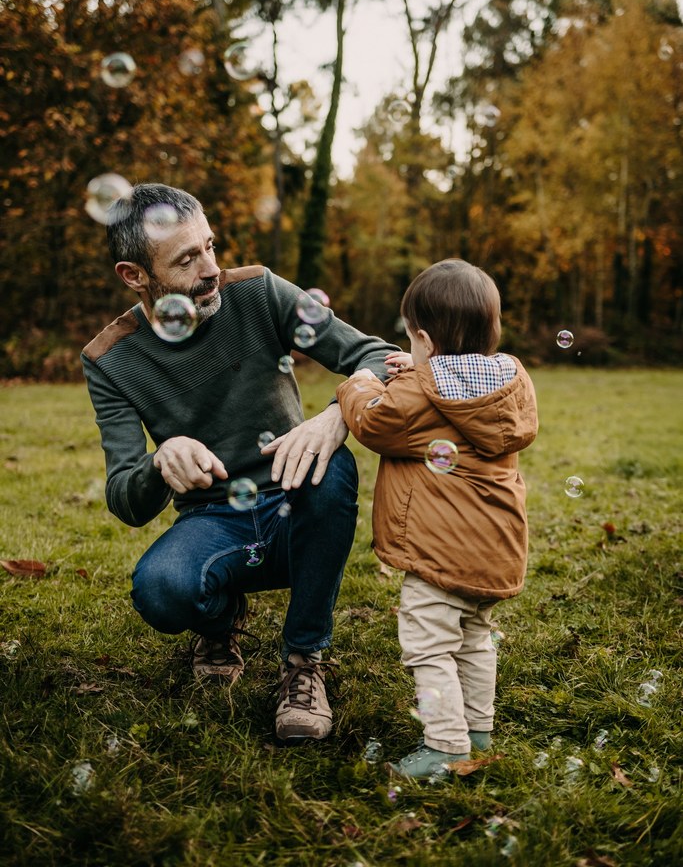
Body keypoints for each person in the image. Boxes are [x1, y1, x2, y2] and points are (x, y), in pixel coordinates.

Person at [81, 182, 399, 744]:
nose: (210, 268)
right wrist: (161, 463)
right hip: (212, 522)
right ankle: (220, 622)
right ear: (134, 276)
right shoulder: (110, 360)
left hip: (293, 496)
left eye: (210, 245)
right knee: (159, 589)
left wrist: (335, 414)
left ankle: (303, 663)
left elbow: (375, 354)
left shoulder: (257, 292)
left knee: (336, 470)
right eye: (187, 258)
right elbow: (124, 497)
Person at [336, 259, 538, 779]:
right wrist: (418, 370)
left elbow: (374, 423)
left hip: (437, 551)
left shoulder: (415, 395)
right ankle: (477, 731)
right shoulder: (508, 384)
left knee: (428, 646)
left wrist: (355, 386)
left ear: (422, 338)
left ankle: (445, 744)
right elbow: (443, 385)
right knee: (473, 639)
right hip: (494, 549)